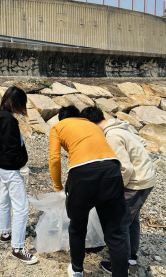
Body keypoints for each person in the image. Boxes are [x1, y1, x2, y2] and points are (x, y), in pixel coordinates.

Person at [49, 105, 128, 277]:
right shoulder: (92, 125)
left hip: (82, 175)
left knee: (77, 227)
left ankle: (77, 270)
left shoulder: (58, 127)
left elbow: (54, 159)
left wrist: (58, 188)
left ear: (62, 119)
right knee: (114, 233)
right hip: (112, 170)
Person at [81, 106, 156, 273]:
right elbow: (142, 143)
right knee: (132, 219)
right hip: (146, 178)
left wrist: (114, 191)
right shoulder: (120, 127)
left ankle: (123, 265)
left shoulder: (112, 136)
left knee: (120, 223)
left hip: (137, 183)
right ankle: (132, 258)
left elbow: (125, 169)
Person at [0, 86, 38, 265]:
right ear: (17, 103)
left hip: (1, 166)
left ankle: (4, 232)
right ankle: (17, 248)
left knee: (5, 199)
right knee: (21, 207)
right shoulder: (8, 120)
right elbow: (12, 149)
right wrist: (21, 165)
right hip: (10, 168)